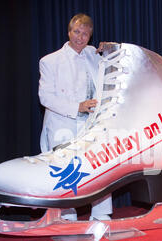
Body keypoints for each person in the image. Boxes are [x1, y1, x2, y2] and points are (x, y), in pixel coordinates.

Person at [38, 13, 112, 221]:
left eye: (85, 34)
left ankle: (101, 214)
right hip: (63, 124)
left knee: (98, 165)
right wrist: (76, 107)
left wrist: (109, 49)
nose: (80, 37)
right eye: (77, 32)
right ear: (69, 32)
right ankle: (67, 214)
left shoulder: (92, 54)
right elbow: (45, 97)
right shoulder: (50, 61)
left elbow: (111, 61)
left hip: (90, 125)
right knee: (65, 169)